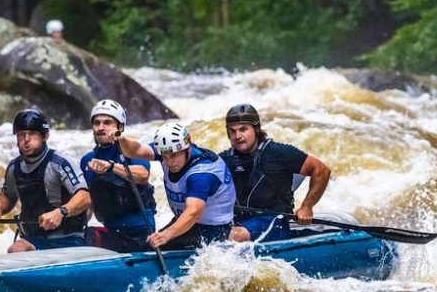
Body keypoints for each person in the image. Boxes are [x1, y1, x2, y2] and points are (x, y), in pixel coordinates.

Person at [0, 109, 91, 252]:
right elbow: (8, 195)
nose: (26, 139)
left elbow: (85, 197)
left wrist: (61, 212)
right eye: (21, 134)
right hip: (34, 238)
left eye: (32, 134)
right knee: (15, 250)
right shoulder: (14, 168)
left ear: (45, 136)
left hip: (68, 238)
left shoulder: (61, 163)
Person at [116, 122, 236, 250]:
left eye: (173, 156)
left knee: (155, 247)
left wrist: (165, 236)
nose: (169, 162)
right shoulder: (170, 148)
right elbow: (136, 150)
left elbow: (193, 212)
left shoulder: (201, 174)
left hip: (214, 229)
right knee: (149, 246)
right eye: (164, 157)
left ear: (187, 149)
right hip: (188, 224)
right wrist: (120, 139)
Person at [221, 104, 331, 242]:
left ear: (256, 129)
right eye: (232, 131)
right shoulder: (223, 160)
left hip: (273, 222)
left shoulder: (279, 153)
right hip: (237, 222)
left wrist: (307, 207)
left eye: (243, 129)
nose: (237, 136)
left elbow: (321, 170)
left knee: (236, 235)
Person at [80, 99, 157, 252]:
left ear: (120, 127)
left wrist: (111, 167)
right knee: (81, 238)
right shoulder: (87, 160)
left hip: (139, 232)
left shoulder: (130, 151)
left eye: (107, 122)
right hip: (112, 231)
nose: (101, 128)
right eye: (97, 123)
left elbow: (143, 175)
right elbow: (89, 203)